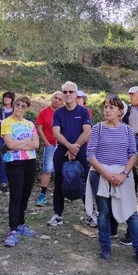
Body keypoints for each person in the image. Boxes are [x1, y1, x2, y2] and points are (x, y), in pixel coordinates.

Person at [86, 95, 138, 266]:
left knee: (131, 213)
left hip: (123, 176)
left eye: (111, 107)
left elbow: (133, 154)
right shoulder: (97, 128)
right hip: (99, 175)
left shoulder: (127, 130)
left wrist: (123, 174)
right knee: (104, 213)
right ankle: (105, 246)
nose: (107, 110)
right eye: (105, 107)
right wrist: (106, 174)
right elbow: (90, 155)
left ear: (121, 111)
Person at [47, 81, 91, 227]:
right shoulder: (58, 112)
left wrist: (75, 148)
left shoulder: (83, 111)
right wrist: (69, 147)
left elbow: (87, 131)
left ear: (76, 94)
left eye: (70, 92)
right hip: (62, 151)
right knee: (59, 182)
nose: (67, 95)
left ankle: (90, 214)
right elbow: (55, 132)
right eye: (65, 92)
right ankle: (57, 214)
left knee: (85, 182)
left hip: (81, 151)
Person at [1, 95, 39, 247]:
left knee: (25, 195)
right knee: (16, 196)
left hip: (30, 161)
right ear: (14, 105)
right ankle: (12, 230)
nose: (20, 108)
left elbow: (36, 144)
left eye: (24, 106)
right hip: (14, 162)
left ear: (27, 109)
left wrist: (19, 144)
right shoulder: (6, 122)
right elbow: (9, 144)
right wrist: (26, 142)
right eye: (18, 104)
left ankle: (21, 224)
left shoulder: (30, 124)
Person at [35, 91, 63, 206]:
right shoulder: (44, 112)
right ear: (52, 98)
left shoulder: (63, 113)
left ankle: (62, 194)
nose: (57, 100)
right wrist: (46, 142)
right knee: (47, 169)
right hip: (50, 144)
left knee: (62, 170)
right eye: (55, 98)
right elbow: (39, 128)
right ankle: (42, 195)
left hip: (62, 145)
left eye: (60, 99)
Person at [0, 91, 15, 191]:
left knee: (13, 159)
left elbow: (14, 124)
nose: (6, 99)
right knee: (3, 160)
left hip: (13, 138)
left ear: (12, 99)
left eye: (8, 97)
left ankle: (13, 180)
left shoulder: (15, 111)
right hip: (1, 138)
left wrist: (2, 121)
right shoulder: (0, 111)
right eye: (4, 97)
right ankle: (4, 182)